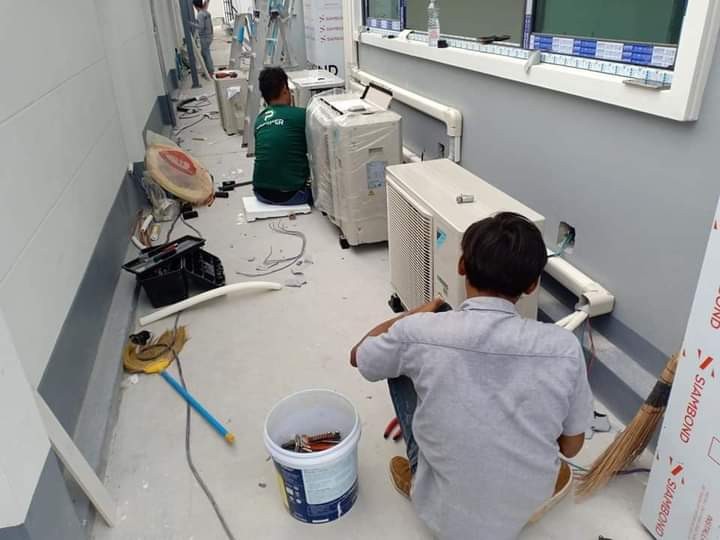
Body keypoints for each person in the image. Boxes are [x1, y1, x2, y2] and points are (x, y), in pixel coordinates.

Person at [350, 212, 593, 540]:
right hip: (525, 503)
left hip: (442, 513)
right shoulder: (563, 348)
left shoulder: (418, 333)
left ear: (462, 265)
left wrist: (420, 312)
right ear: (532, 284)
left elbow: (360, 357)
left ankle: (419, 475)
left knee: (395, 361)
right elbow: (572, 447)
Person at [252, 67, 312, 206]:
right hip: (292, 195)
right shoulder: (302, 115)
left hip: (260, 193)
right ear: (285, 89)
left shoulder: (259, 119)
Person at [192, 0, 214, 76]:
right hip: (209, 35)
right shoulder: (206, 12)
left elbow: (201, 27)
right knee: (205, 53)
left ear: (195, 6)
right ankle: (208, 71)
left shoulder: (200, 14)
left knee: (206, 54)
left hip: (205, 37)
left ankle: (210, 71)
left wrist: (192, 24)